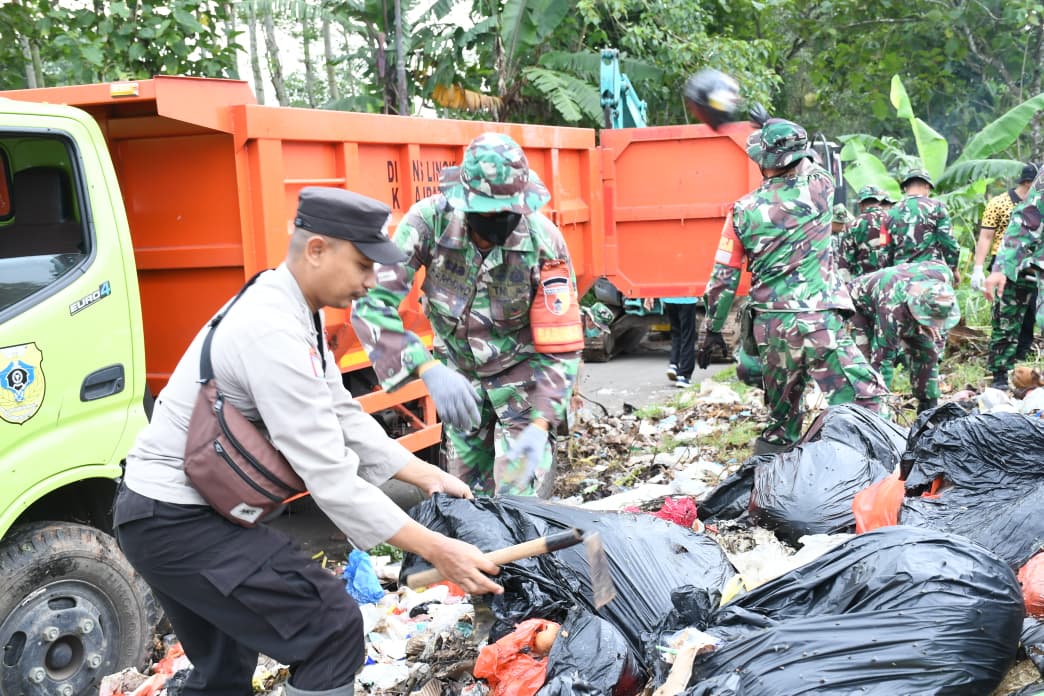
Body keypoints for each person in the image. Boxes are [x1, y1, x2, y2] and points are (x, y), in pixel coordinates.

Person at [113, 187, 503, 696]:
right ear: (317, 249)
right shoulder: (271, 330)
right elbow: (331, 478)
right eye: (363, 265)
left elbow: (338, 410)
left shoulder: (294, 305)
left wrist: (423, 473)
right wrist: (439, 550)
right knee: (331, 629)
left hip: (170, 513)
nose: (371, 281)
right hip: (174, 518)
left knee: (224, 674)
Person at [352, 133, 581, 497]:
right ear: (465, 203)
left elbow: (562, 342)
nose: (500, 221)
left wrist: (541, 424)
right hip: (459, 383)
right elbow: (370, 303)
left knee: (520, 501)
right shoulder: (429, 223)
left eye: (508, 211)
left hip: (522, 383)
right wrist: (427, 368)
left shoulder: (543, 241)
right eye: (489, 212)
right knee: (465, 498)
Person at [697, 118, 889, 453]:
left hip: (772, 328)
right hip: (819, 323)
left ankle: (769, 476)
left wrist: (713, 327)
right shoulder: (820, 188)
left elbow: (723, 278)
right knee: (866, 400)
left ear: (762, 161)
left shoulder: (742, 211)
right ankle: (868, 469)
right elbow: (811, 161)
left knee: (782, 419)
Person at [848, 261, 959, 413]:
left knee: (927, 351)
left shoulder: (943, 274)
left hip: (902, 300)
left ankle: (928, 406)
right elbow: (882, 361)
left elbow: (940, 302)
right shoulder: (892, 310)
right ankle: (869, 411)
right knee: (865, 363)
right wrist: (883, 411)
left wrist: (929, 320)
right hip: (858, 306)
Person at [971, 163, 1040, 389]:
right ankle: (1001, 375)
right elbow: (988, 236)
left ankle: (1022, 357)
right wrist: (986, 268)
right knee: (1006, 321)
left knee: (1030, 319)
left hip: (1032, 264)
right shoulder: (1000, 203)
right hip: (1013, 264)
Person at [985, 166, 1044, 359]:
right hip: (1019, 263)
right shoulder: (999, 202)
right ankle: (1003, 368)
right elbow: (1027, 220)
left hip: (1026, 263)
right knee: (1010, 320)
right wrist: (1001, 266)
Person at [887, 168, 960, 277]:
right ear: (927, 186)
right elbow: (948, 241)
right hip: (930, 272)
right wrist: (953, 268)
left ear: (906, 188)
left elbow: (885, 248)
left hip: (900, 274)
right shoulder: (937, 207)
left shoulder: (891, 212)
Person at [838, 185, 891, 281]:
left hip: (863, 281)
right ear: (879, 202)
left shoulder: (853, 225)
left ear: (861, 204)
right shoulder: (892, 219)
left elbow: (844, 260)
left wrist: (846, 284)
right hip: (890, 280)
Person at [645, 295, 698, 387]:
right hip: (687, 298)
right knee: (687, 336)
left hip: (669, 299)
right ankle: (684, 376)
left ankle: (673, 364)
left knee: (676, 333)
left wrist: (649, 295)